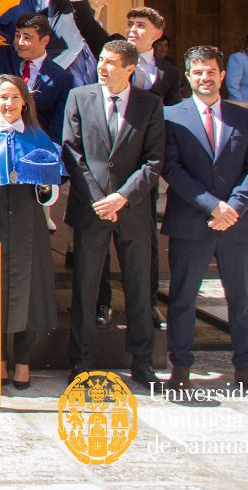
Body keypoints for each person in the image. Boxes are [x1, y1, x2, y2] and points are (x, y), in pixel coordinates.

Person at [161, 45, 248, 395]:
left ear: (221, 75)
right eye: (197, 72)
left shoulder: (245, 118)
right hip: (192, 223)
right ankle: (181, 365)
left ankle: (246, 367)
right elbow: (171, 168)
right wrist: (211, 206)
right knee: (183, 298)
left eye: (210, 71)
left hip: (236, 223)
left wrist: (232, 206)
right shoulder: (172, 117)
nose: (204, 78)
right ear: (188, 77)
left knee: (240, 298)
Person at [61, 38, 164, 387]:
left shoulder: (149, 105)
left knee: (138, 288)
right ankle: (81, 362)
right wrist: (99, 199)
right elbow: (72, 152)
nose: (102, 68)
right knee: (86, 288)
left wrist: (121, 197)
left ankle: (142, 363)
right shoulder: (80, 97)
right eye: (101, 60)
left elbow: (153, 161)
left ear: (130, 68)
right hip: (92, 210)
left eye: (111, 63)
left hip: (131, 211)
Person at [0, 75, 61, 390]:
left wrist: (46, 188)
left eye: (15, 98)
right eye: (3, 97)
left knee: (28, 295)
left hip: (28, 221)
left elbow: (52, 187)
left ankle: (23, 362)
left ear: (25, 102)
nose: (9, 104)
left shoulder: (38, 137)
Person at [0, 9, 73, 141]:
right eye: (18, 35)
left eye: (27, 37)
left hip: (31, 145)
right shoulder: (2, 55)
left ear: (45, 40)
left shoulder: (62, 79)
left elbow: (58, 127)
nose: (20, 42)